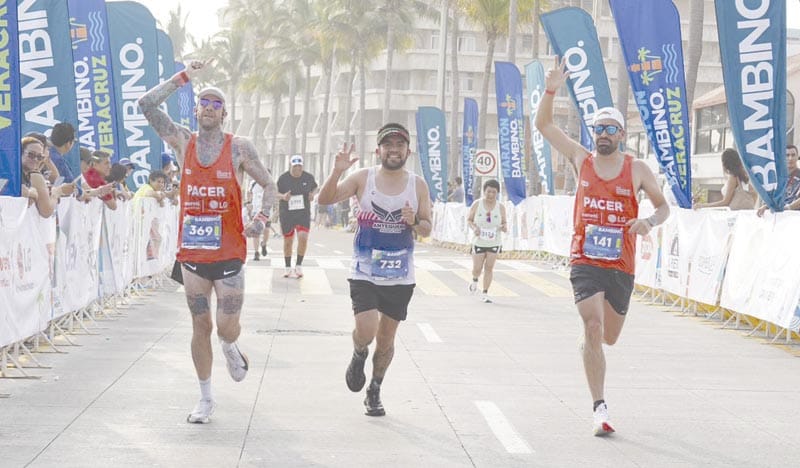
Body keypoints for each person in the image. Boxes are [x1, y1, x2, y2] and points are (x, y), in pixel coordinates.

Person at [535, 57, 670, 436]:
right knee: (592, 325)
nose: (603, 135)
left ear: (622, 134)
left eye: (610, 129)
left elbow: (664, 208)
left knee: (608, 336)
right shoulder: (582, 159)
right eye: (598, 129)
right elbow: (544, 125)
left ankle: (591, 348)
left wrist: (648, 222)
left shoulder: (637, 169)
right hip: (585, 259)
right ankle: (599, 407)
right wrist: (550, 88)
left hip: (621, 265)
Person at [139, 59, 277, 424]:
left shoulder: (239, 148)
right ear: (197, 109)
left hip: (230, 250)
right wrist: (183, 78)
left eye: (217, 104)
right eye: (205, 102)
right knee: (201, 325)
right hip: (193, 253)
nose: (211, 108)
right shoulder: (184, 141)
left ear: (225, 113)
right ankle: (205, 398)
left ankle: (231, 347)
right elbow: (146, 105)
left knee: (226, 326)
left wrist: (261, 219)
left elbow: (269, 185)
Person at [317, 123, 432, 417]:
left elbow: (427, 228)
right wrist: (336, 171)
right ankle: (358, 353)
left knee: (386, 341)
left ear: (409, 150)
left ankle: (375, 389)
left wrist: (413, 223)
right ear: (378, 150)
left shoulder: (417, 185)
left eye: (400, 145)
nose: (394, 150)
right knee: (367, 330)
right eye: (388, 145)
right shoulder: (362, 178)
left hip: (399, 275)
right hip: (365, 271)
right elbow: (325, 200)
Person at [466, 179, 507, 303]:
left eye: (494, 192)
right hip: (479, 241)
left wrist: (504, 227)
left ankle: (485, 293)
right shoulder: (477, 204)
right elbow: (469, 220)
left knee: (489, 267)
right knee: (477, 268)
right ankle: (474, 280)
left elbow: (504, 222)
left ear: (497, 193)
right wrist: (475, 228)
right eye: (488, 192)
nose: (491, 195)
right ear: (484, 191)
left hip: (494, 241)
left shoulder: (500, 207)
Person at [277, 155, 318, 278]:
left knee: (303, 237)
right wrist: (283, 196)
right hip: (287, 213)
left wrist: (312, 194)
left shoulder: (308, 177)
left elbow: (316, 188)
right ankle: (288, 267)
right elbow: (275, 192)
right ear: (291, 166)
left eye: (300, 166)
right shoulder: (283, 179)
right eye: (295, 166)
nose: (297, 169)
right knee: (288, 241)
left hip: (303, 213)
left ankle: (299, 265)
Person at [20, 136, 69, 218]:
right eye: (31, 155)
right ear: (20, 152)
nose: (35, 159)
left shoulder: (30, 173)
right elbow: (46, 211)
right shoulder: (13, 172)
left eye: (39, 157)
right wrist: (56, 193)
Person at [757, 145, 800, 215]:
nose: (790, 158)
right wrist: (766, 206)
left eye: (793, 155)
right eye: (787, 155)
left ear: (797, 157)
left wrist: (789, 208)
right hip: (779, 218)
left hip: (795, 217)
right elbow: (773, 198)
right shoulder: (777, 177)